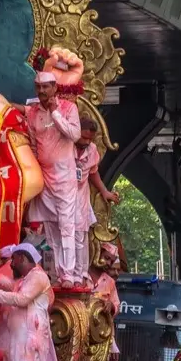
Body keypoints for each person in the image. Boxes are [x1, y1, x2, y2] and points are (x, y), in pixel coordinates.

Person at [26, 70, 83, 288]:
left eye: (46, 87)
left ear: (55, 88)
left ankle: (68, 274)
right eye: (38, 87)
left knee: (66, 226)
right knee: (51, 229)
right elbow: (32, 144)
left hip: (65, 177)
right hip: (45, 177)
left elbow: (74, 135)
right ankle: (60, 274)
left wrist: (55, 113)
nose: (42, 91)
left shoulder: (69, 108)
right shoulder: (32, 114)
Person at [0, 243, 58, 361]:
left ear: (21, 258)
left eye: (13, 259)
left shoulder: (38, 276)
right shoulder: (23, 281)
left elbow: (21, 300)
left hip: (30, 341)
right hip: (19, 340)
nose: (11, 264)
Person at [74, 118, 120, 285]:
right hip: (61, 196)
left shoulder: (92, 150)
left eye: (90, 139)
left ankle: (79, 275)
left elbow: (93, 172)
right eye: (83, 138)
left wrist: (104, 191)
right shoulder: (64, 145)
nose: (86, 142)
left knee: (81, 237)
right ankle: (66, 274)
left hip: (81, 199)